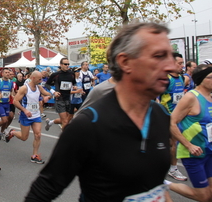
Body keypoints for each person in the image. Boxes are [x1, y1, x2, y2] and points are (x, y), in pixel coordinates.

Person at [25, 22, 175, 201]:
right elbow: (43, 191)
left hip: (71, 98)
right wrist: (53, 92)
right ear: (125, 62)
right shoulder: (88, 125)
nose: (171, 67)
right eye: (158, 56)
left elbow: (156, 185)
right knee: (65, 122)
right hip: (60, 102)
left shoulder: (161, 115)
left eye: (170, 56)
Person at [168, 65, 212, 201]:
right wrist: (188, 145)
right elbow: (172, 123)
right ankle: (164, 184)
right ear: (201, 79)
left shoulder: (210, 97)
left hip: (209, 151)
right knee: (203, 196)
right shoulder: (191, 97)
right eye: (210, 77)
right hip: (194, 154)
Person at [6, 71, 52, 164]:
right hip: (25, 116)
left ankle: (34, 155)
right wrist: (25, 110)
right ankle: (13, 132)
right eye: (39, 79)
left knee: (38, 134)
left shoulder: (39, 87)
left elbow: (48, 94)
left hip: (36, 115)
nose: (41, 80)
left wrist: (47, 98)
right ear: (33, 78)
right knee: (24, 137)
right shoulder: (24, 88)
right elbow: (15, 101)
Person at [160, 52, 188, 181]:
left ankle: (167, 165)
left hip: (179, 116)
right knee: (173, 142)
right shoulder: (166, 79)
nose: (182, 66)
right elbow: (157, 96)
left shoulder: (182, 79)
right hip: (167, 115)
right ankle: (173, 168)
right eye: (180, 63)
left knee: (171, 142)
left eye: (183, 63)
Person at [44, 58, 76, 130]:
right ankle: (64, 139)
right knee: (65, 121)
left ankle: (50, 122)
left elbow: (74, 83)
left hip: (68, 99)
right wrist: (54, 92)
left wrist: (75, 86)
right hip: (59, 99)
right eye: (65, 64)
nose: (67, 65)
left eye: (68, 64)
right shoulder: (56, 75)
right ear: (61, 65)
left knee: (66, 120)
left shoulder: (71, 74)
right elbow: (47, 84)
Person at [0, 68, 15, 139]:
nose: (8, 74)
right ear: (2, 74)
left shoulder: (11, 82)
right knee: (4, 120)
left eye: (9, 73)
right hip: (0, 104)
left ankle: (1, 132)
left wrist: (13, 96)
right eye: (6, 72)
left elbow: (12, 92)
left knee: (6, 120)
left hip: (7, 103)